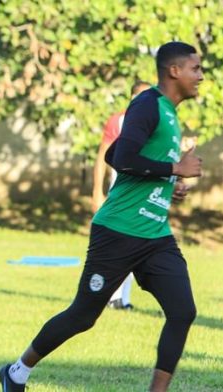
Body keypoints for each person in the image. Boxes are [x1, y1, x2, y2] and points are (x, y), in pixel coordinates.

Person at [0, 41, 204, 392]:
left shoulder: (170, 112)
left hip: (155, 235)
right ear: (174, 71)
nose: (200, 76)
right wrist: (175, 167)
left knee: (183, 311)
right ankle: (16, 372)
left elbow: (123, 157)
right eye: (195, 69)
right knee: (83, 316)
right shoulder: (148, 104)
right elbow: (120, 157)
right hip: (118, 232)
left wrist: (171, 182)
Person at [92, 80, 151, 310]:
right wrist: (97, 192)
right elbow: (103, 157)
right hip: (121, 195)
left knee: (135, 244)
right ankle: (109, 295)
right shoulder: (119, 121)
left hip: (143, 196)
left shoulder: (156, 122)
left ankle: (122, 299)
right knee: (119, 244)